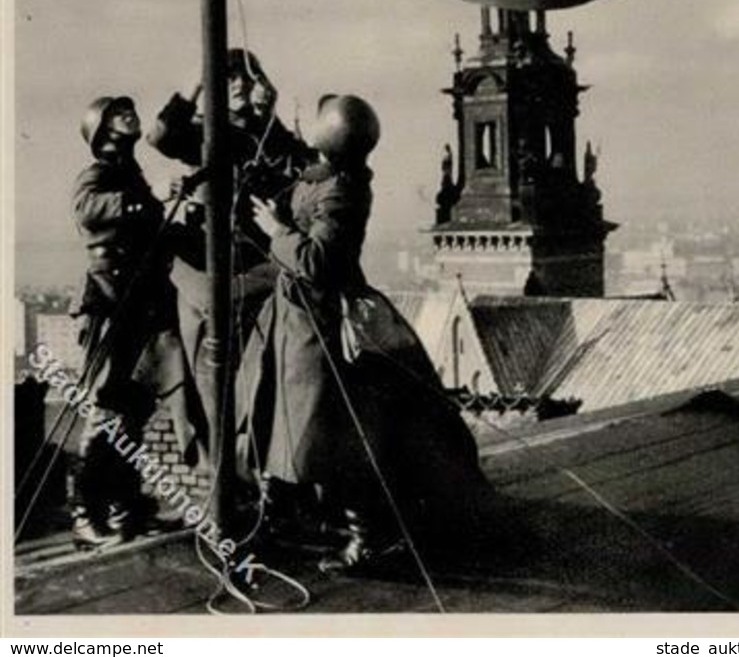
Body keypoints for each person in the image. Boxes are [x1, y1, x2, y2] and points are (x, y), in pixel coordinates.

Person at [245, 94, 487, 570]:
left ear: (331, 137)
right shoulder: (326, 179)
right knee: (281, 421)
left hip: (319, 326)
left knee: (330, 432)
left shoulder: (343, 190)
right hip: (294, 321)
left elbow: (318, 262)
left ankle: (369, 537)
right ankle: (275, 523)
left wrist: (276, 229)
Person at [147, 49, 313, 468]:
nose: (239, 83)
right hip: (207, 264)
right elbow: (162, 136)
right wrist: (194, 86)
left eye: (246, 76)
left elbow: (304, 165)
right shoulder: (203, 132)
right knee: (209, 368)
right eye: (228, 76)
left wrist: (270, 114)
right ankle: (217, 474)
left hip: (252, 264)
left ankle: (255, 473)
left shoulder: (265, 132)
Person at [70, 95, 193, 547]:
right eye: (118, 112)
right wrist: (147, 199)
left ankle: (125, 512)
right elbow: (86, 208)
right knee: (104, 411)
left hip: (139, 305)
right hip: (111, 306)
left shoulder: (130, 172)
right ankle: (85, 514)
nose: (130, 113)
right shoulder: (100, 172)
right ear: (101, 130)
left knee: (131, 414)